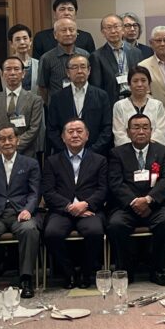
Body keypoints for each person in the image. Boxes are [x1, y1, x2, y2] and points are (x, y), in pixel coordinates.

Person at [107, 114, 165, 285]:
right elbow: (115, 182)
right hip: (126, 206)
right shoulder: (117, 153)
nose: (141, 131)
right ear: (128, 132)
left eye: (145, 127)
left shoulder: (164, 152)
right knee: (116, 224)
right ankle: (126, 271)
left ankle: (157, 270)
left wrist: (148, 200)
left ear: (151, 131)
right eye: (136, 127)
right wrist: (134, 202)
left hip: (156, 205)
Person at [0, 125, 41, 299]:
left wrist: (28, 210)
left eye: (11, 138)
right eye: (2, 139)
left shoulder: (30, 164)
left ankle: (26, 279)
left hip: (21, 214)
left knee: (29, 230)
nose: (7, 142)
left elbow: (35, 193)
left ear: (17, 140)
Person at [41, 119, 108, 288]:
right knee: (51, 233)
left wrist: (86, 204)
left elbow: (103, 189)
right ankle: (68, 273)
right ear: (63, 137)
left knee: (95, 231)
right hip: (62, 211)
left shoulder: (99, 160)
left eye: (79, 131)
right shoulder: (52, 161)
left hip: (89, 210)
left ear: (87, 135)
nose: (75, 135)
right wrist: (69, 207)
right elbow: (48, 191)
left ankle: (86, 273)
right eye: (70, 132)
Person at [46, 54, 113, 156]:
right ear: (68, 72)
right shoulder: (57, 97)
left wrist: (90, 153)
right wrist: (68, 152)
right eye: (74, 67)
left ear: (89, 70)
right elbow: (52, 130)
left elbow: (107, 128)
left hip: (95, 155)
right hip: (64, 156)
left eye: (83, 67)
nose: (79, 71)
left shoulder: (101, 96)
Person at [0, 56, 44, 160]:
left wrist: (11, 149)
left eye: (16, 69)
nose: (12, 73)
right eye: (8, 69)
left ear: (23, 73)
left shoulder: (35, 100)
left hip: (24, 156)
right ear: (2, 74)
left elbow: (33, 130)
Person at [90, 14, 143, 103]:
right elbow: (96, 87)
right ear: (103, 32)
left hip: (134, 100)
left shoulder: (136, 52)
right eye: (109, 28)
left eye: (116, 26)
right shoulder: (96, 56)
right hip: (111, 102)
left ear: (123, 29)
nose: (113, 31)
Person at [36, 17, 92, 101]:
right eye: (63, 30)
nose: (68, 33)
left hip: (83, 103)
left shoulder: (85, 55)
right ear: (55, 35)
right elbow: (42, 87)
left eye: (71, 30)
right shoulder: (46, 58)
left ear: (76, 33)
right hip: (57, 105)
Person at [112, 65, 165, 146]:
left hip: (153, 150)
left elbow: (160, 133)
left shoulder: (158, 105)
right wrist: (134, 149)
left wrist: (146, 149)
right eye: (135, 81)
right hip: (127, 151)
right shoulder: (119, 106)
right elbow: (119, 134)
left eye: (143, 80)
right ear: (129, 84)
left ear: (149, 83)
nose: (140, 84)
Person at [32, 0, 96, 57]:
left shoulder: (86, 37)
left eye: (70, 9)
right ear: (54, 14)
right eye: (62, 9)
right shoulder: (41, 37)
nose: (66, 13)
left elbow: (91, 61)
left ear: (75, 14)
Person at [7, 23, 39, 91]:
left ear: (30, 41)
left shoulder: (38, 64)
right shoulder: (7, 65)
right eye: (18, 39)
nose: (22, 42)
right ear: (11, 44)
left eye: (25, 38)